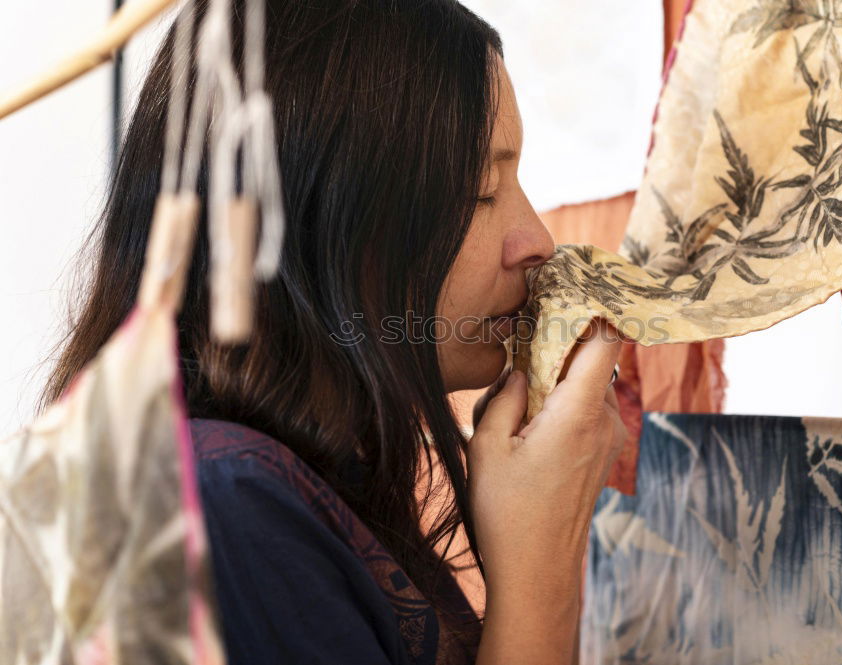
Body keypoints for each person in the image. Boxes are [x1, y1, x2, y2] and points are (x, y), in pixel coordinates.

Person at [42, 1, 626, 663]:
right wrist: (540, 576)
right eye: (478, 190)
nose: (537, 242)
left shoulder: (307, 478)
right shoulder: (221, 500)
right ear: (319, 214)